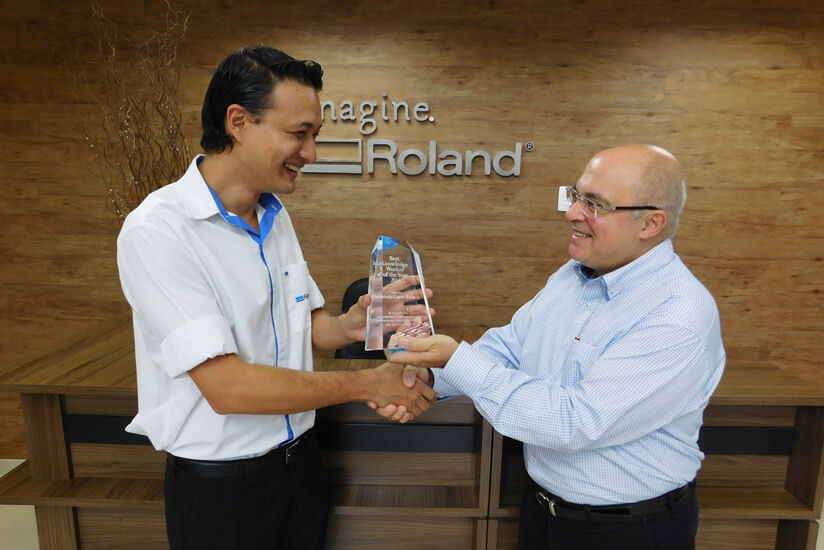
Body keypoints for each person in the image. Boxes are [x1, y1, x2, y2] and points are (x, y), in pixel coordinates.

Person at [116, 46, 435, 550]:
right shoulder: (158, 231)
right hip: (223, 490)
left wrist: (351, 325)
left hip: (301, 466)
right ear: (239, 122)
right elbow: (230, 389)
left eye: (315, 137)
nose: (310, 153)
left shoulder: (273, 215)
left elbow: (302, 325)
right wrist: (370, 383)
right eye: (298, 134)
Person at [381, 144, 725, 550]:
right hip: (544, 513)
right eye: (576, 195)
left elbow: (573, 421)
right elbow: (511, 347)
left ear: (650, 223)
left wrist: (456, 357)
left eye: (594, 204)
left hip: (628, 531)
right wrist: (428, 374)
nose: (572, 214)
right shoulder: (573, 275)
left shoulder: (678, 313)